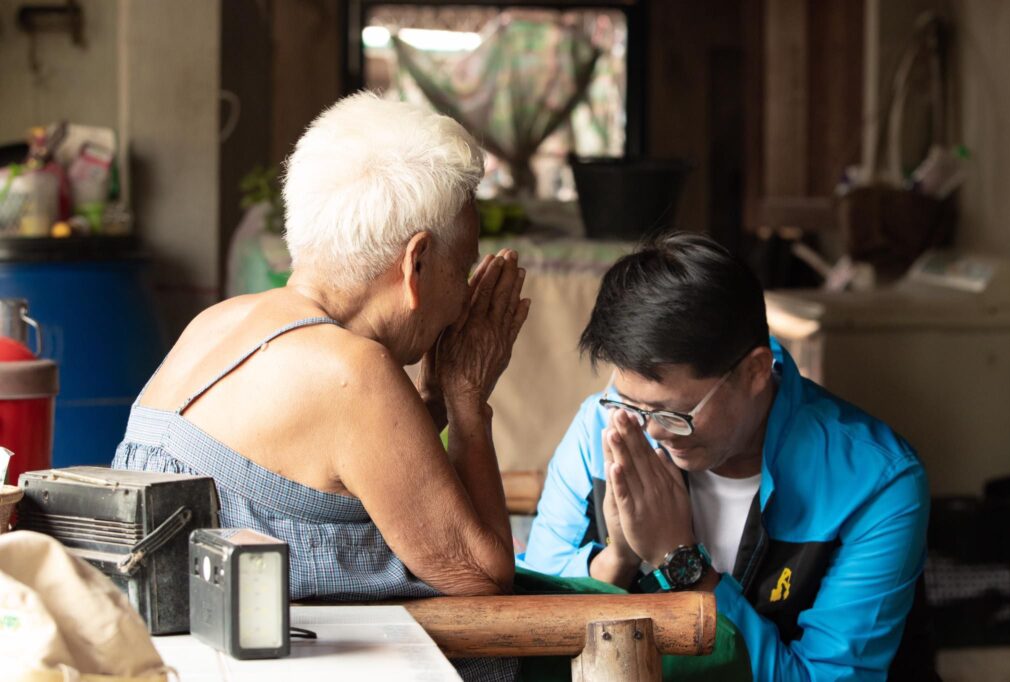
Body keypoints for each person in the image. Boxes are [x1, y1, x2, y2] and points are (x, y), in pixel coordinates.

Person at [112, 93, 528, 681]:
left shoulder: (216, 321)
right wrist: (467, 405)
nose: (463, 299)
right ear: (416, 264)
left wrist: (432, 400)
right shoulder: (352, 372)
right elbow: (482, 578)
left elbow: (334, 463)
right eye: (462, 270)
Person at [520, 233, 930, 680]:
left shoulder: (876, 482)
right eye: (631, 404)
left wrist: (680, 561)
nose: (653, 431)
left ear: (755, 372)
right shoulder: (600, 428)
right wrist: (617, 559)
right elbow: (526, 629)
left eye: (676, 414)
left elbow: (824, 677)